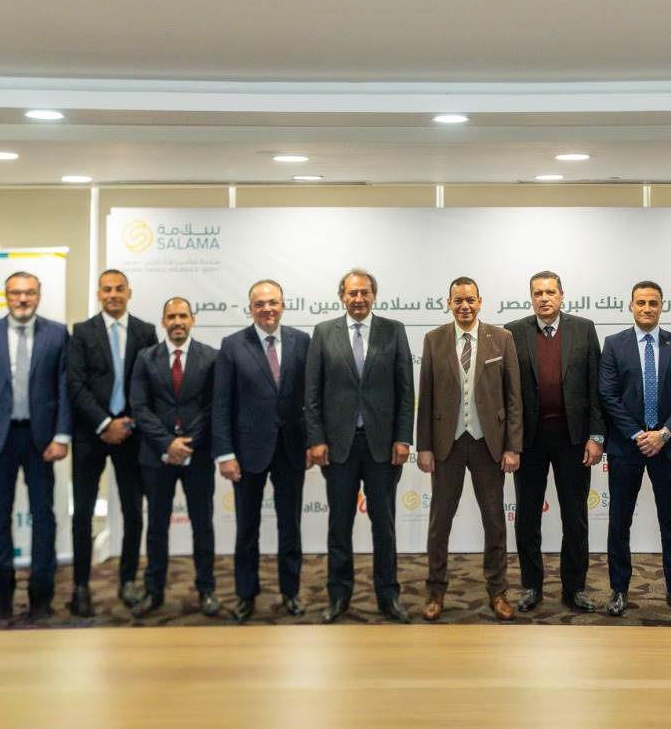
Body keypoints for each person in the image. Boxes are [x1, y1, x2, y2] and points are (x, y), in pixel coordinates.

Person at [304, 267, 415, 623]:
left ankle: (388, 595)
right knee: (339, 525)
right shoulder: (324, 333)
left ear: (374, 296)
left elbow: (405, 391)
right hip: (339, 447)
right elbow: (312, 393)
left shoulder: (393, 331)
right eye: (352, 293)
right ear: (342, 296)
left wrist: (403, 437)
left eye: (365, 292)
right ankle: (339, 595)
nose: (358, 298)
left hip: (383, 446)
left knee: (384, 525)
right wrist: (316, 439)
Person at [0, 271, 72, 619]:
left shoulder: (57, 333)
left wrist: (62, 436)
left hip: (42, 440)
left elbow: (65, 387)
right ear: (6, 296)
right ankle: (0, 598)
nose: (22, 299)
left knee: (44, 517)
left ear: (38, 295)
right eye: (15, 293)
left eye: (29, 293)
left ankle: (41, 597)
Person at [416, 277, 524, 621]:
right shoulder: (434, 339)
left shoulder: (502, 338)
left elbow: (514, 397)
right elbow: (426, 396)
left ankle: (498, 591)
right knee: (439, 523)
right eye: (458, 300)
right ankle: (436, 591)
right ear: (449, 303)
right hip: (446, 444)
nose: (464, 306)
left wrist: (513, 447)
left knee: (494, 522)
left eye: (470, 300)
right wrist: (424, 446)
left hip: (487, 444)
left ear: (480, 302)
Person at [598, 280, 671, 618]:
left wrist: (664, 434)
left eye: (653, 303)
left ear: (661, 306)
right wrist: (638, 434)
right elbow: (608, 396)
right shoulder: (614, 345)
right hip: (627, 447)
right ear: (631, 306)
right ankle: (619, 590)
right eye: (640, 302)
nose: (646, 308)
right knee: (619, 522)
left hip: (668, 448)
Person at [504, 270, 604, 614]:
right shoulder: (513, 331)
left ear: (562, 295)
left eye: (550, 292)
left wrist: (596, 436)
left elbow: (595, 387)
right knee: (527, 516)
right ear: (531, 298)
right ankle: (531, 585)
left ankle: (574, 587)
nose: (544, 298)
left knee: (575, 516)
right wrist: (510, 441)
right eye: (538, 293)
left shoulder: (584, 329)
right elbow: (507, 390)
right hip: (530, 440)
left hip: (573, 439)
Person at [213, 279, 310, 623]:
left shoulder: (302, 341)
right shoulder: (232, 345)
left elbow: (311, 398)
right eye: (260, 304)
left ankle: (291, 591)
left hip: (291, 449)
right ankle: (246, 593)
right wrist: (225, 454)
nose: (267, 309)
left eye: (273, 302)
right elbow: (221, 404)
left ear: (283, 305)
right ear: (250, 308)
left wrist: (313, 441)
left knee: (290, 527)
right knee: (246, 528)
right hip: (247, 451)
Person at [68, 268, 159, 614]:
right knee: (83, 513)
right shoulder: (82, 332)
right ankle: (80, 586)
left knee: (133, 512)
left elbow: (150, 383)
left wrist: (128, 422)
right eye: (107, 289)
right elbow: (75, 385)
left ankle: (128, 581)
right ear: (98, 294)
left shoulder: (145, 332)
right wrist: (105, 423)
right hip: (90, 434)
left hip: (132, 435)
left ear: (129, 293)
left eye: (119, 289)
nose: (113, 295)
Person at [129, 297, 220, 618]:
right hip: (157, 456)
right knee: (156, 527)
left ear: (192, 320)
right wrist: (168, 443)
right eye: (171, 317)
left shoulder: (211, 357)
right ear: (163, 322)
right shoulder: (145, 358)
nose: (177, 321)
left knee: (203, 525)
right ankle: (153, 591)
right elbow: (139, 407)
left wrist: (187, 443)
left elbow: (213, 406)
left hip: (198, 454)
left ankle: (206, 589)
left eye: (183, 316)